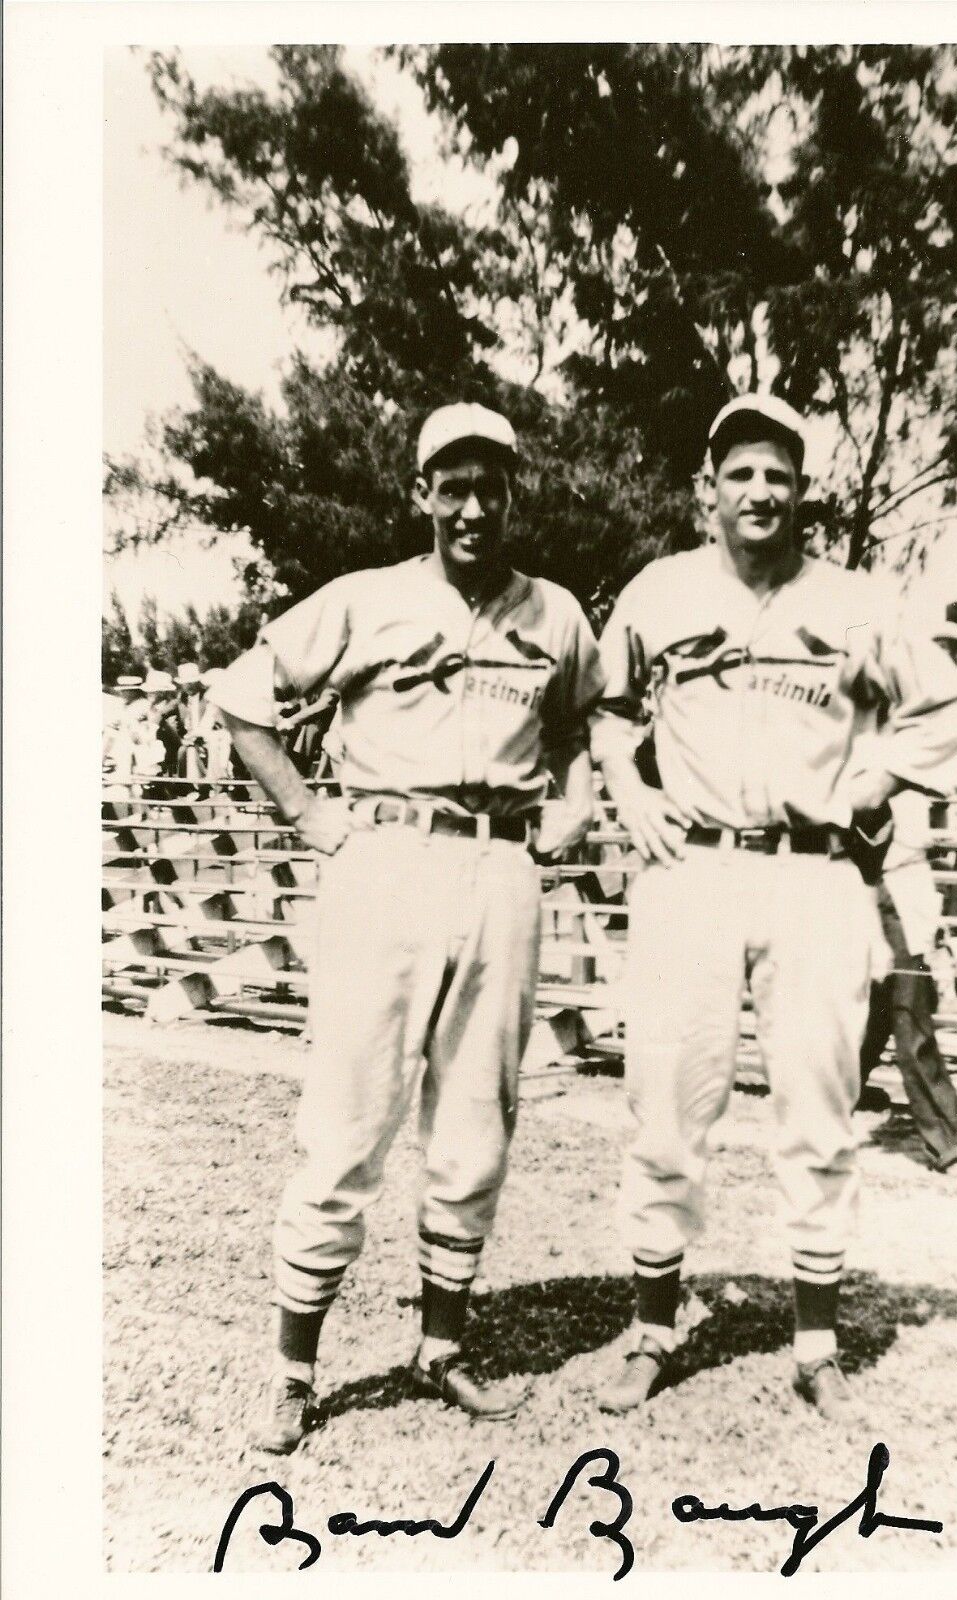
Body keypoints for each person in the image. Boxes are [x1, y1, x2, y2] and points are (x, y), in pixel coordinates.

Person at [206, 401, 604, 1454]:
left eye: (492, 485)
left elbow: (587, 727)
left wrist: (571, 809)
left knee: (477, 1123)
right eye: (453, 485)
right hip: (384, 858)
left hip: (503, 865)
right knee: (346, 1122)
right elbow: (245, 700)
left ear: (514, 492)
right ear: (422, 493)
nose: (473, 506)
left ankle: (440, 1348)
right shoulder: (364, 601)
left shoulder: (556, 614)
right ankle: (293, 1371)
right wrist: (308, 814)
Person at [590, 393, 957, 1423]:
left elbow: (951, 707)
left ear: (802, 492)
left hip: (816, 872)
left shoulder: (858, 601)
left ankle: (816, 1341)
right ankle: (652, 1329)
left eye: (779, 474)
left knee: (818, 1112)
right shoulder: (659, 591)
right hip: (696, 870)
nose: (760, 490)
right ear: (704, 489)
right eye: (740, 471)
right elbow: (606, 707)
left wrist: (879, 779)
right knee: (668, 1108)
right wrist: (629, 791)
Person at [857, 789, 957, 1182]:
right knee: (894, 1012)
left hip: (904, 885)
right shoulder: (863, 751)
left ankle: (949, 1142)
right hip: (862, 886)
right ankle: (950, 1141)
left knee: (900, 1008)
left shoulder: (913, 754)